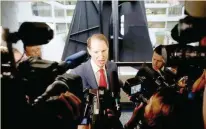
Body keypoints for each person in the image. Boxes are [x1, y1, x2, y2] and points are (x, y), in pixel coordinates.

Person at [70, 34, 122, 129]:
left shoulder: (112, 67)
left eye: (104, 51)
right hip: (89, 123)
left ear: (108, 49)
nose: (101, 56)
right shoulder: (77, 72)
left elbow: (115, 93)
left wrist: (115, 112)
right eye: (96, 52)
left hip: (110, 119)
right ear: (89, 51)